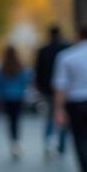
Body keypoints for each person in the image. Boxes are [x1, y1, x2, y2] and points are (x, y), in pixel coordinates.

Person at [53, 25, 87, 172]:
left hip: (77, 103)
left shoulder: (67, 56)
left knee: (80, 140)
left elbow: (61, 86)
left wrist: (59, 109)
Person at [34, 25, 70, 156]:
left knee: (50, 115)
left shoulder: (43, 50)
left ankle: (48, 140)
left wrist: (39, 86)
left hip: (48, 88)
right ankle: (61, 143)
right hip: (65, 89)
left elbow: (38, 70)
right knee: (63, 115)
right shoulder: (66, 49)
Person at [0, 45, 32, 160]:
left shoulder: (3, 67)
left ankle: (13, 143)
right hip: (18, 97)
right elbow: (25, 81)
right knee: (17, 120)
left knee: (10, 121)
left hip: (6, 97)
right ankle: (17, 143)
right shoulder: (20, 67)